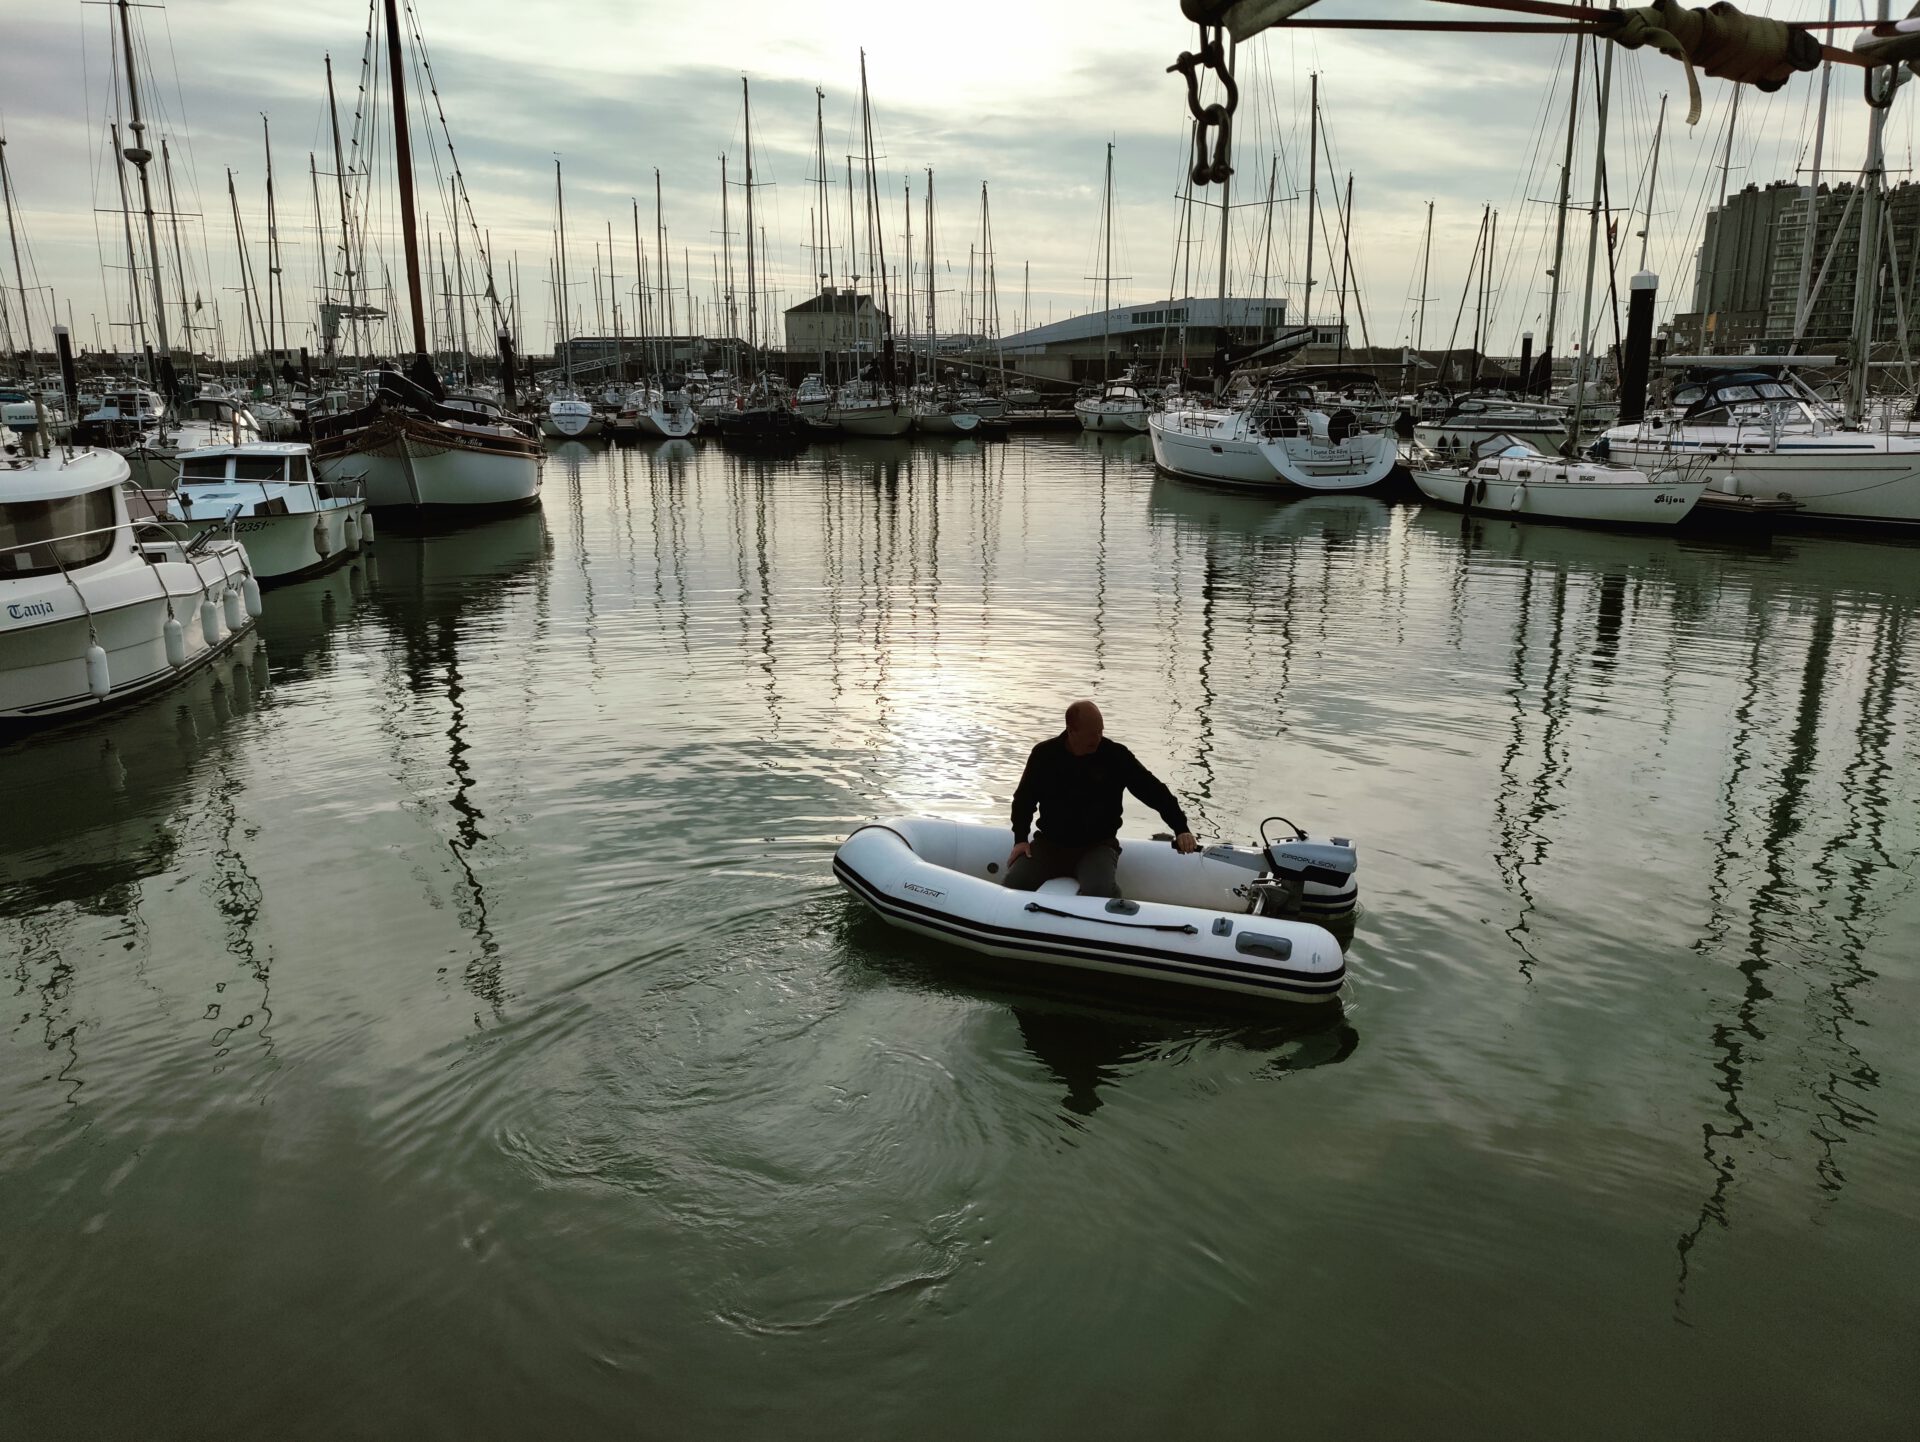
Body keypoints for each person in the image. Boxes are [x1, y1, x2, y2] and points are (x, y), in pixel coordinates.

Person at [1005, 700, 1197, 898]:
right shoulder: (1044, 755)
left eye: (1100, 731)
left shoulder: (1115, 756)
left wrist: (1180, 828)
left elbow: (1153, 791)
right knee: (1013, 884)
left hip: (1097, 846)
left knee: (1100, 891)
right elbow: (1023, 800)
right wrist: (1020, 839)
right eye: (1091, 734)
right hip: (1050, 844)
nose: (1097, 738)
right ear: (1071, 731)